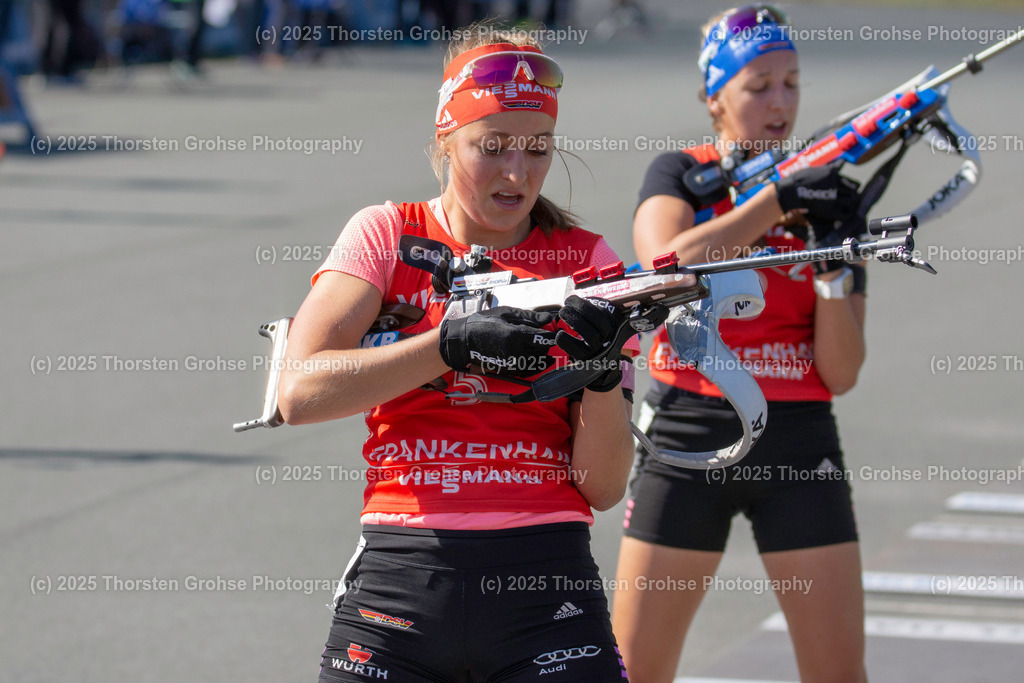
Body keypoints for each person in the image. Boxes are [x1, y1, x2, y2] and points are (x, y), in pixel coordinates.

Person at [278, 21, 642, 682]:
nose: (516, 171)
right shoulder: (388, 232)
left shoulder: (589, 261)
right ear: (446, 138)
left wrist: (597, 376)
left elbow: (606, 485)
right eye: (491, 145)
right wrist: (447, 346)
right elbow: (299, 391)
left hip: (546, 582)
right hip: (400, 581)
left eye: (538, 148)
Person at [612, 5, 869, 682]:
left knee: (838, 673)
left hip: (798, 437)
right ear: (715, 97)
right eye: (758, 86)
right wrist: (774, 201)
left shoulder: (827, 193)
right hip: (689, 427)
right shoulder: (681, 175)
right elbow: (664, 266)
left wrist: (834, 265)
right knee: (634, 671)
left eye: (791, 82)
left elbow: (841, 371)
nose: (779, 102)